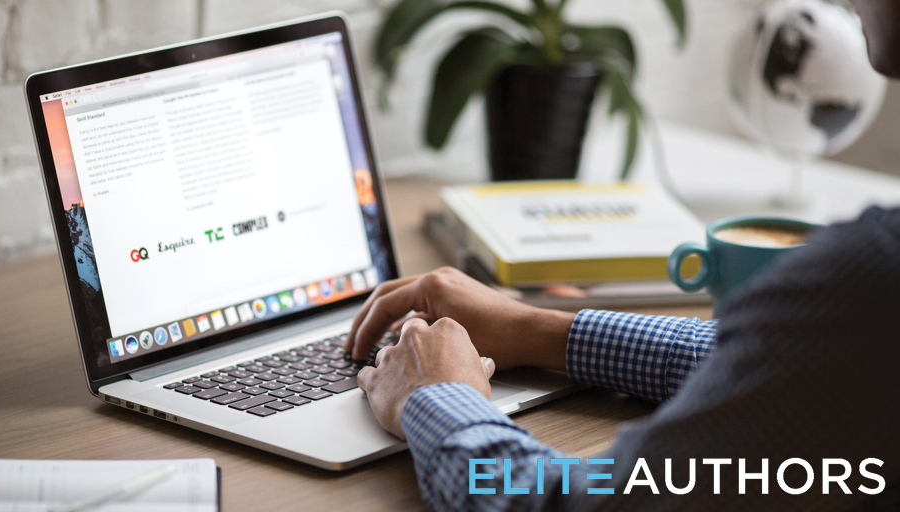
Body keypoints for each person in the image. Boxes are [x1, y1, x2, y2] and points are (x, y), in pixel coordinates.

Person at [346, 1, 900, 508]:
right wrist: (541, 331)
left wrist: (438, 399)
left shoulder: (868, 276)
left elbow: (574, 503)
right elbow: (802, 362)